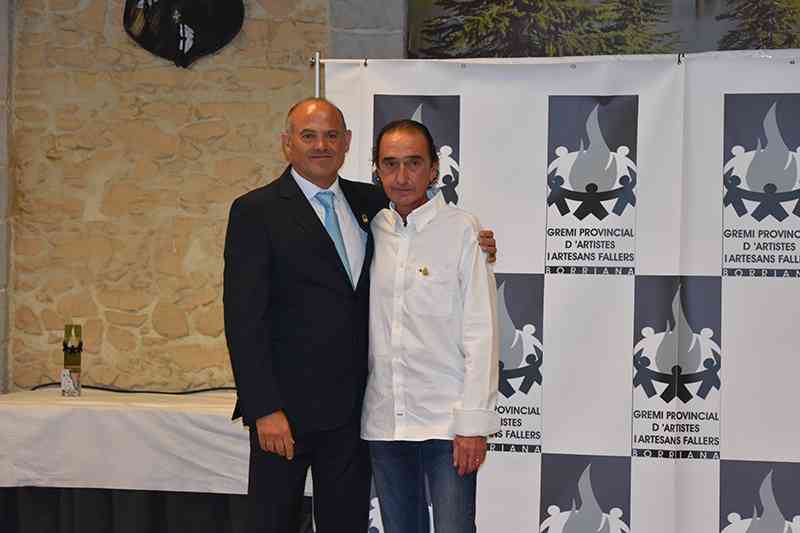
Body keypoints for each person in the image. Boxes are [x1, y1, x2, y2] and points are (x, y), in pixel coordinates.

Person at [223, 98, 496, 533]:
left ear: (347, 142)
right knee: (273, 523)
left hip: (354, 416)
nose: (321, 145)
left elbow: (426, 225)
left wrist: (478, 244)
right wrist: (264, 408)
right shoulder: (256, 211)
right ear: (287, 143)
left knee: (346, 524)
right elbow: (243, 319)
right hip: (285, 414)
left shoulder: (372, 204)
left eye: (331, 135)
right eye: (308, 135)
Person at [362, 119, 500, 533]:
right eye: (390, 164)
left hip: (448, 423)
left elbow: (481, 331)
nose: (402, 177)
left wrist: (473, 425)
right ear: (376, 170)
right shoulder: (369, 229)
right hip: (385, 420)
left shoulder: (462, 230)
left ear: (434, 169)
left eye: (414, 163)